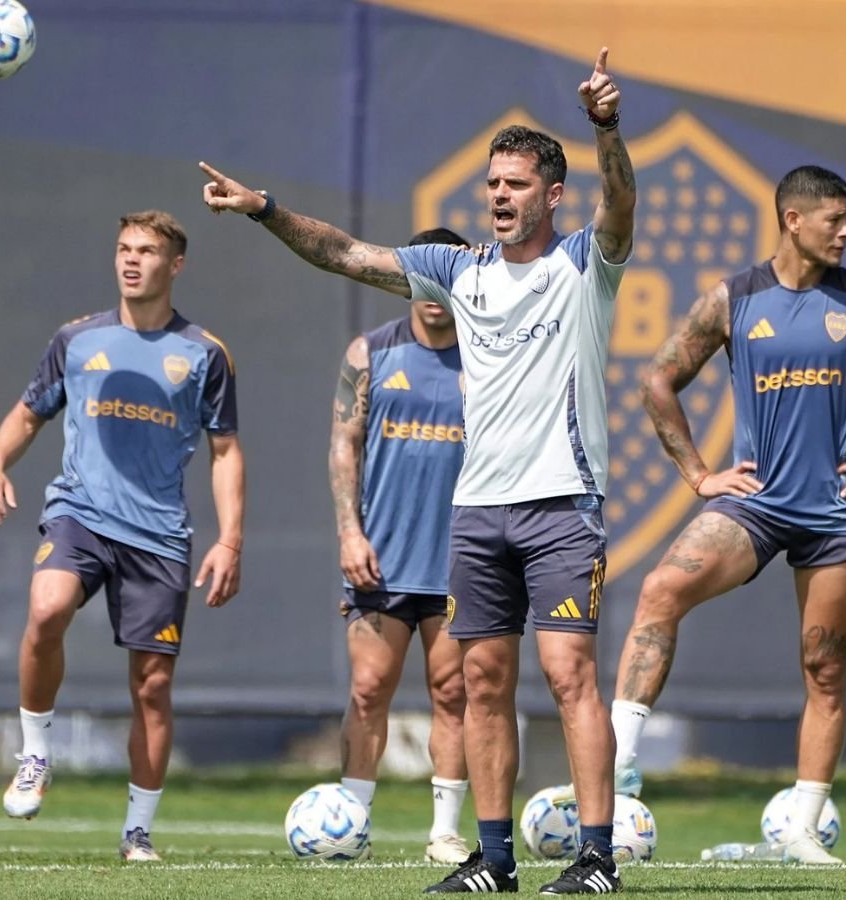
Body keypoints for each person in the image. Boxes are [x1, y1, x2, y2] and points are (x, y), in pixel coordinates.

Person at [203, 47, 634, 895]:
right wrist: (265, 210)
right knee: (481, 679)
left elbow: (620, 201)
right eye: (493, 184)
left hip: (559, 506)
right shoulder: (458, 270)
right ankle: (495, 861)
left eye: (516, 184)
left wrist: (607, 130)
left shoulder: (586, 262)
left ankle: (596, 858)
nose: (500, 196)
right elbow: (344, 254)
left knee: (569, 674)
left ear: (553, 194)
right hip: (476, 513)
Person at [608, 165, 846, 864]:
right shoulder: (732, 300)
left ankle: (800, 830)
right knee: (658, 593)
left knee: (825, 667)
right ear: (792, 220)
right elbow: (658, 379)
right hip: (755, 506)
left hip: (835, 512)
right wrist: (699, 475)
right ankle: (617, 779)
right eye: (836, 219)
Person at [0, 210, 243, 864]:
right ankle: (36, 753)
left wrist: (229, 539)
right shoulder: (76, 339)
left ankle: (137, 832)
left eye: (147, 251)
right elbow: (28, 412)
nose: (132, 260)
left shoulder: (205, 354)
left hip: (158, 537)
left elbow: (226, 451)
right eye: (124, 248)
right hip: (80, 515)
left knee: (151, 686)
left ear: (174, 265)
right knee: (46, 609)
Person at [333, 227, 473, 865]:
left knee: (453, 693)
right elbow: (344, 445)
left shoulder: (485, 356)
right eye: (423, 279)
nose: (434, 293)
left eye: (445, 278)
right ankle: (350, 821)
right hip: (380, 556)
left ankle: (445, 830)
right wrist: (349, 531)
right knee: (368, 689)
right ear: (407, 278)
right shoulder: (370, 352)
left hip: (459, 562)